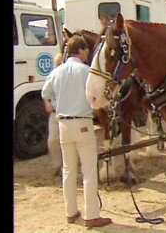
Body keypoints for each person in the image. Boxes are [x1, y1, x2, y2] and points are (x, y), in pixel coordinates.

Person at [41, 36, 112, 228]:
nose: (87, 53)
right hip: (82, 123)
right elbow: (97, 97)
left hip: (63, 123)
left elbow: (45, 93)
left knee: (69, 170)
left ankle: (70, 212)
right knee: (89, 171)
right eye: (86, 50)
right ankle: (92, 215)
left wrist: (56, 105)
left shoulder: (57, 71)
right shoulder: (86, 71)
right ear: (80, 50)